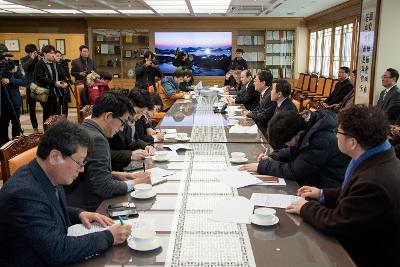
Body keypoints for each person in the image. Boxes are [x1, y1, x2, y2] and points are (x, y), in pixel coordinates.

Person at [0, 120, 132, 266]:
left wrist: (79, 214)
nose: (81, 169)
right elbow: (58, 251)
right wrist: (109, 236)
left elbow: (48, 209)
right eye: (79, 162)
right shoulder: (23, 193)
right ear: (55, 156)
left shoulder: (45, 172)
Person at [286, 105, 400, 267]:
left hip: (366, 256)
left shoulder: (373, 183)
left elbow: (337, 221)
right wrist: (322, 193)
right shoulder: (378, 156)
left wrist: (305, 207)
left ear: (352, 142)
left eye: (337, 132)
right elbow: (355, 196)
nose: (336, 136)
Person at [64, 91, 150, 211]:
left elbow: (87, 173)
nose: (121, 128)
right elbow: (103, 188)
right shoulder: (98, 140)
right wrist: (136, 182)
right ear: (108, 116)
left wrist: (114, 174)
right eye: (122, 122)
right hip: (92, 207)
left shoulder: (84, 128)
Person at [240, 110, 348, 188]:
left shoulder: (321, 140)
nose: (287, 146)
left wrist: (263, 166)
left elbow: (295, 171)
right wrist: (273, 157)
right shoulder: (306, 126)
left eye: (287, 143)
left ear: (297, 135)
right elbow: (299, 148)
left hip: (327, 187)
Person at [109, 89, 156, 171]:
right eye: (138, 112)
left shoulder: (130, 121)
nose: (139, 117)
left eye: (142, 113)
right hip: (114, 169)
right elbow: (103, 152)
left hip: (124, 167)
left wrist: (146, 146)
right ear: (130, 104)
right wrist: (131, 154)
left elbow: (132, 141)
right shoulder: (115, 120)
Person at [33, 45, 68, 124]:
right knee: (48, 114)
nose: (53, 55)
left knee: (57, 113)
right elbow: (40, 78)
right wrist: (54, 83)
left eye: (54, 53)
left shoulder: (55, 64)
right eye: (51, 53)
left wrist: (64, 83)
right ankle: (48, 132)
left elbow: (63, 75)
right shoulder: (40, 64)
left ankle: (56, 132)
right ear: (45, 54)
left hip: (57, 92)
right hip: (46, 93)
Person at [0, 44, 26, 145]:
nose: (5, 59)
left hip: (14, 100)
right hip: (2, 103)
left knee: (16, 124)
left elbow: (23, 81)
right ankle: (4, 147)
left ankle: (17, 145)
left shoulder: (14, 66)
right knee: (2, 126)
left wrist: (10, 81)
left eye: (6, 56)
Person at [20, 43, 40, 133]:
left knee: (47, 106)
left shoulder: (38, 58)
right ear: (28, 52)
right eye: (32, 52)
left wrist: (37, 58)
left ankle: (46, 125)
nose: (34, 54)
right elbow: (25, 67)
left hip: (40, 86)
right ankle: (35, 128)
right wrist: (31, 58)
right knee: (32, 109)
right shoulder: (24, 59)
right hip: (30, 87)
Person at [55, 50, 71, 116]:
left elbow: (67, 75)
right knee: (57, 105)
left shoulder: (64, 64)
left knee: (65, 105)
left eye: (60, 56)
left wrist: (67, 82)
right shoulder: (53, 65)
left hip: (64, 86)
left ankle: (65, 119)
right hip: (56, 86)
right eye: (57, 56)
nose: (59, 57)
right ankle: (58, 119)